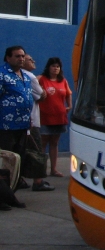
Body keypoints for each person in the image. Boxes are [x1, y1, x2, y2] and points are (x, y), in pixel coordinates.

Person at [21, 54, 52, 190]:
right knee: (36, 150)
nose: (33, 61)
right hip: (31, 121)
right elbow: (41, 95)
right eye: (29, 59)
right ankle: (38, 182)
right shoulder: (30, 77)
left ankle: (18, 179)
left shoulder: (17, 76)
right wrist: (43, 92)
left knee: (19, 150)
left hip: (19, 122)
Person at [38, 57, 72, 178]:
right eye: (53, 66)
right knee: (42, 143)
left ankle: (53, 169)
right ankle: (40, 170)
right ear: (48, 67)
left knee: (54, 143)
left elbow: (68, 94)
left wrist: (69, 105)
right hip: (44, 117)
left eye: (58, 66)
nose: (56, 68)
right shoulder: (41, 79)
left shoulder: (63, 81)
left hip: (59, 117)